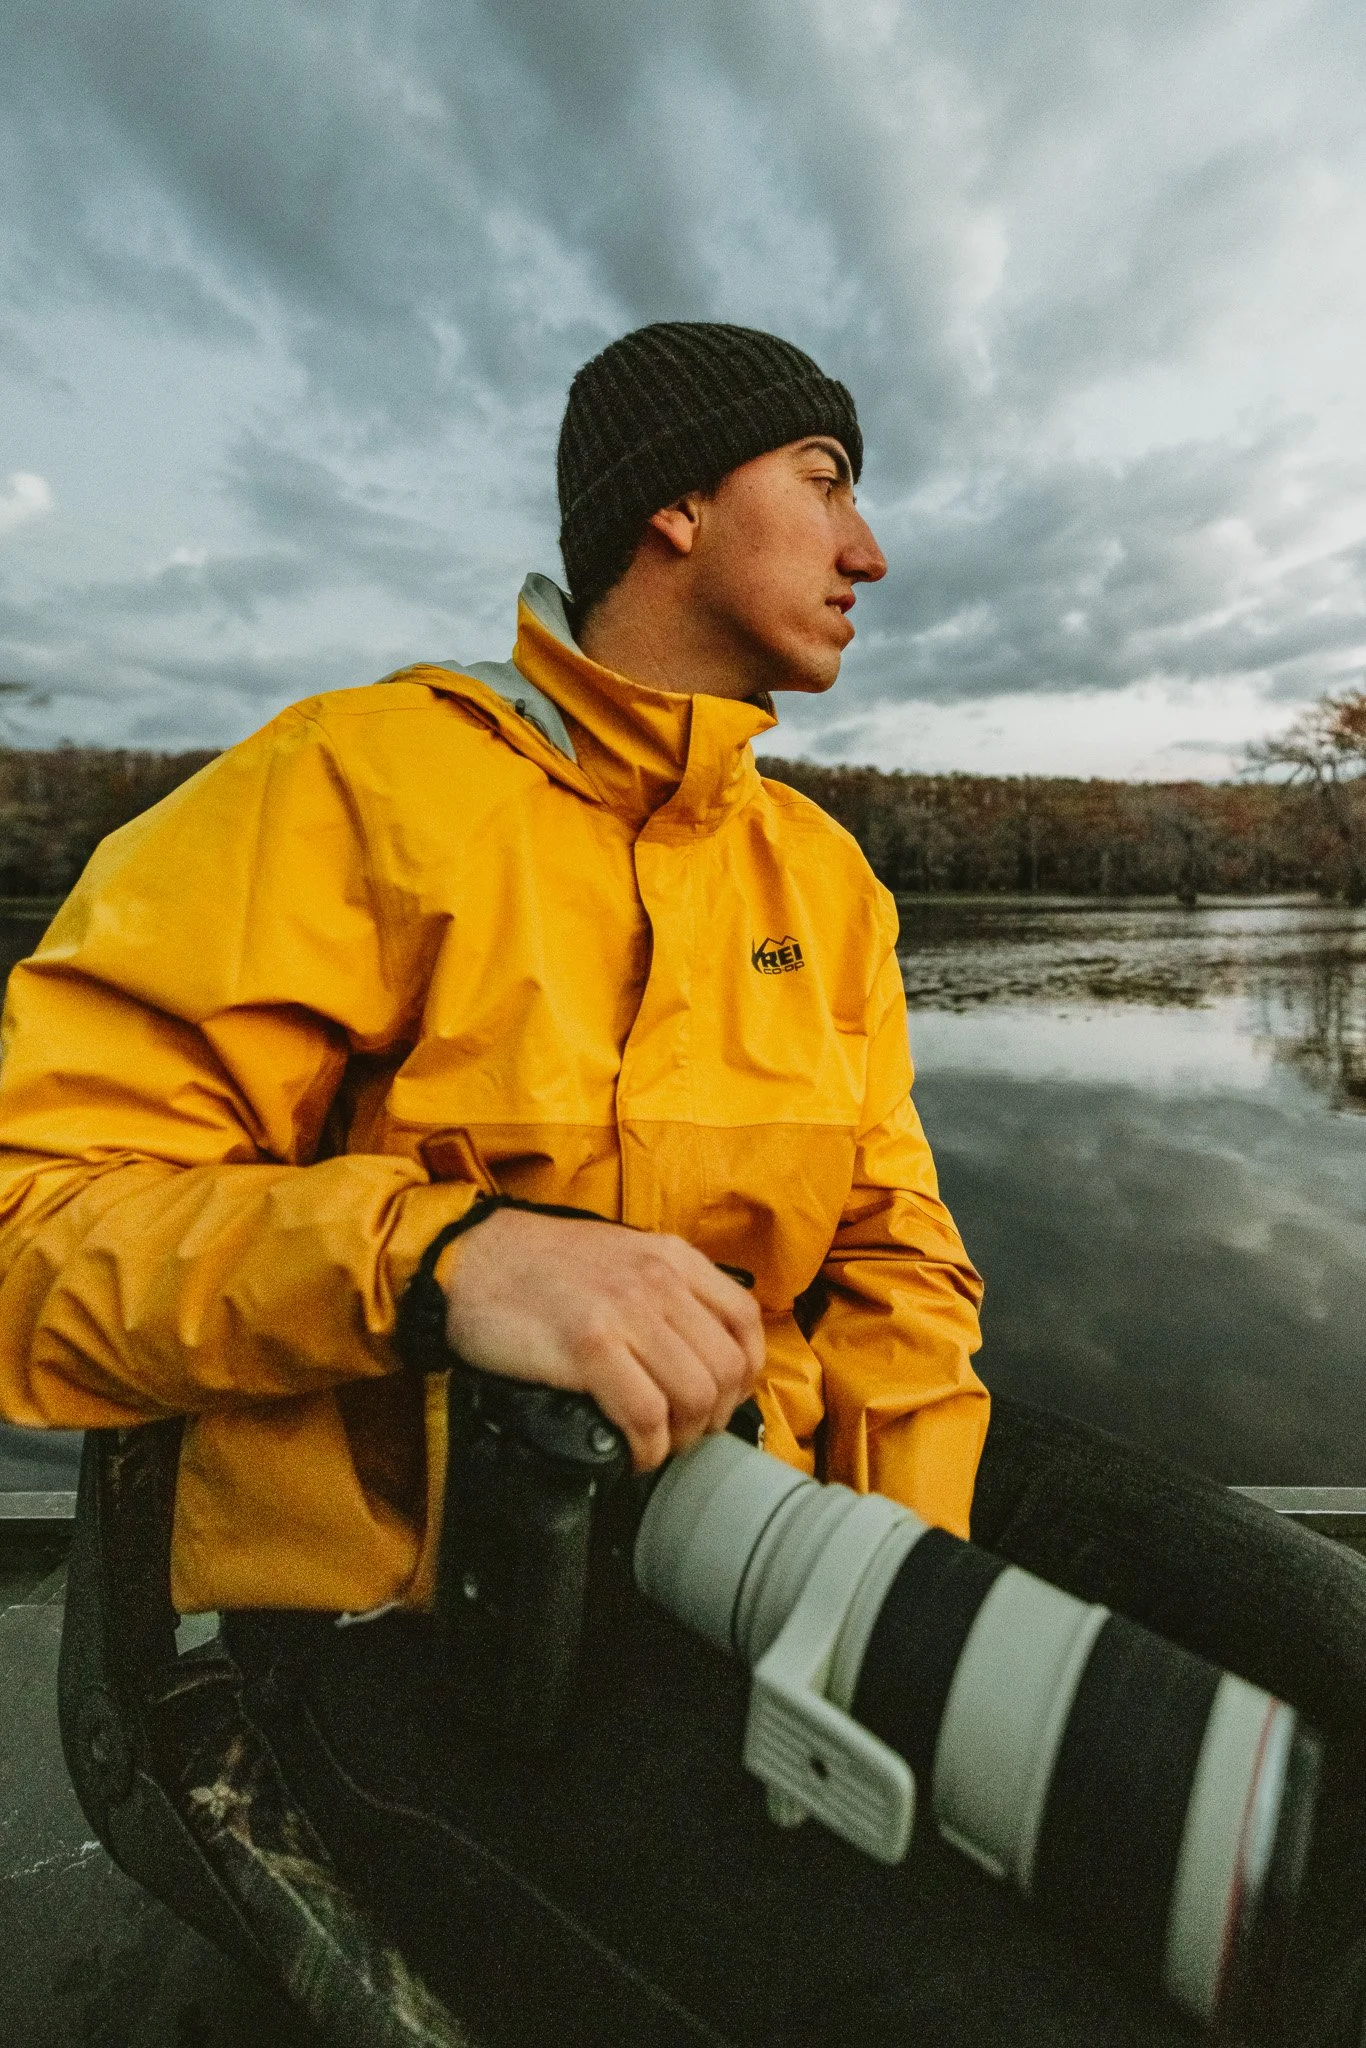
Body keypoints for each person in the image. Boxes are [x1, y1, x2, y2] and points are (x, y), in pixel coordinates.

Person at [1, 322, 1364, 2048]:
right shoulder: (348, 786)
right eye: (825, 483)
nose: (869, 550)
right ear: (674, 507)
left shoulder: (823, 876)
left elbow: (898, 1266)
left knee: (1336, 1675)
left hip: (785, 1510)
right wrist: (441, 1259)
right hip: (393, 1621)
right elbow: (33, 1220)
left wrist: (902, 1606)